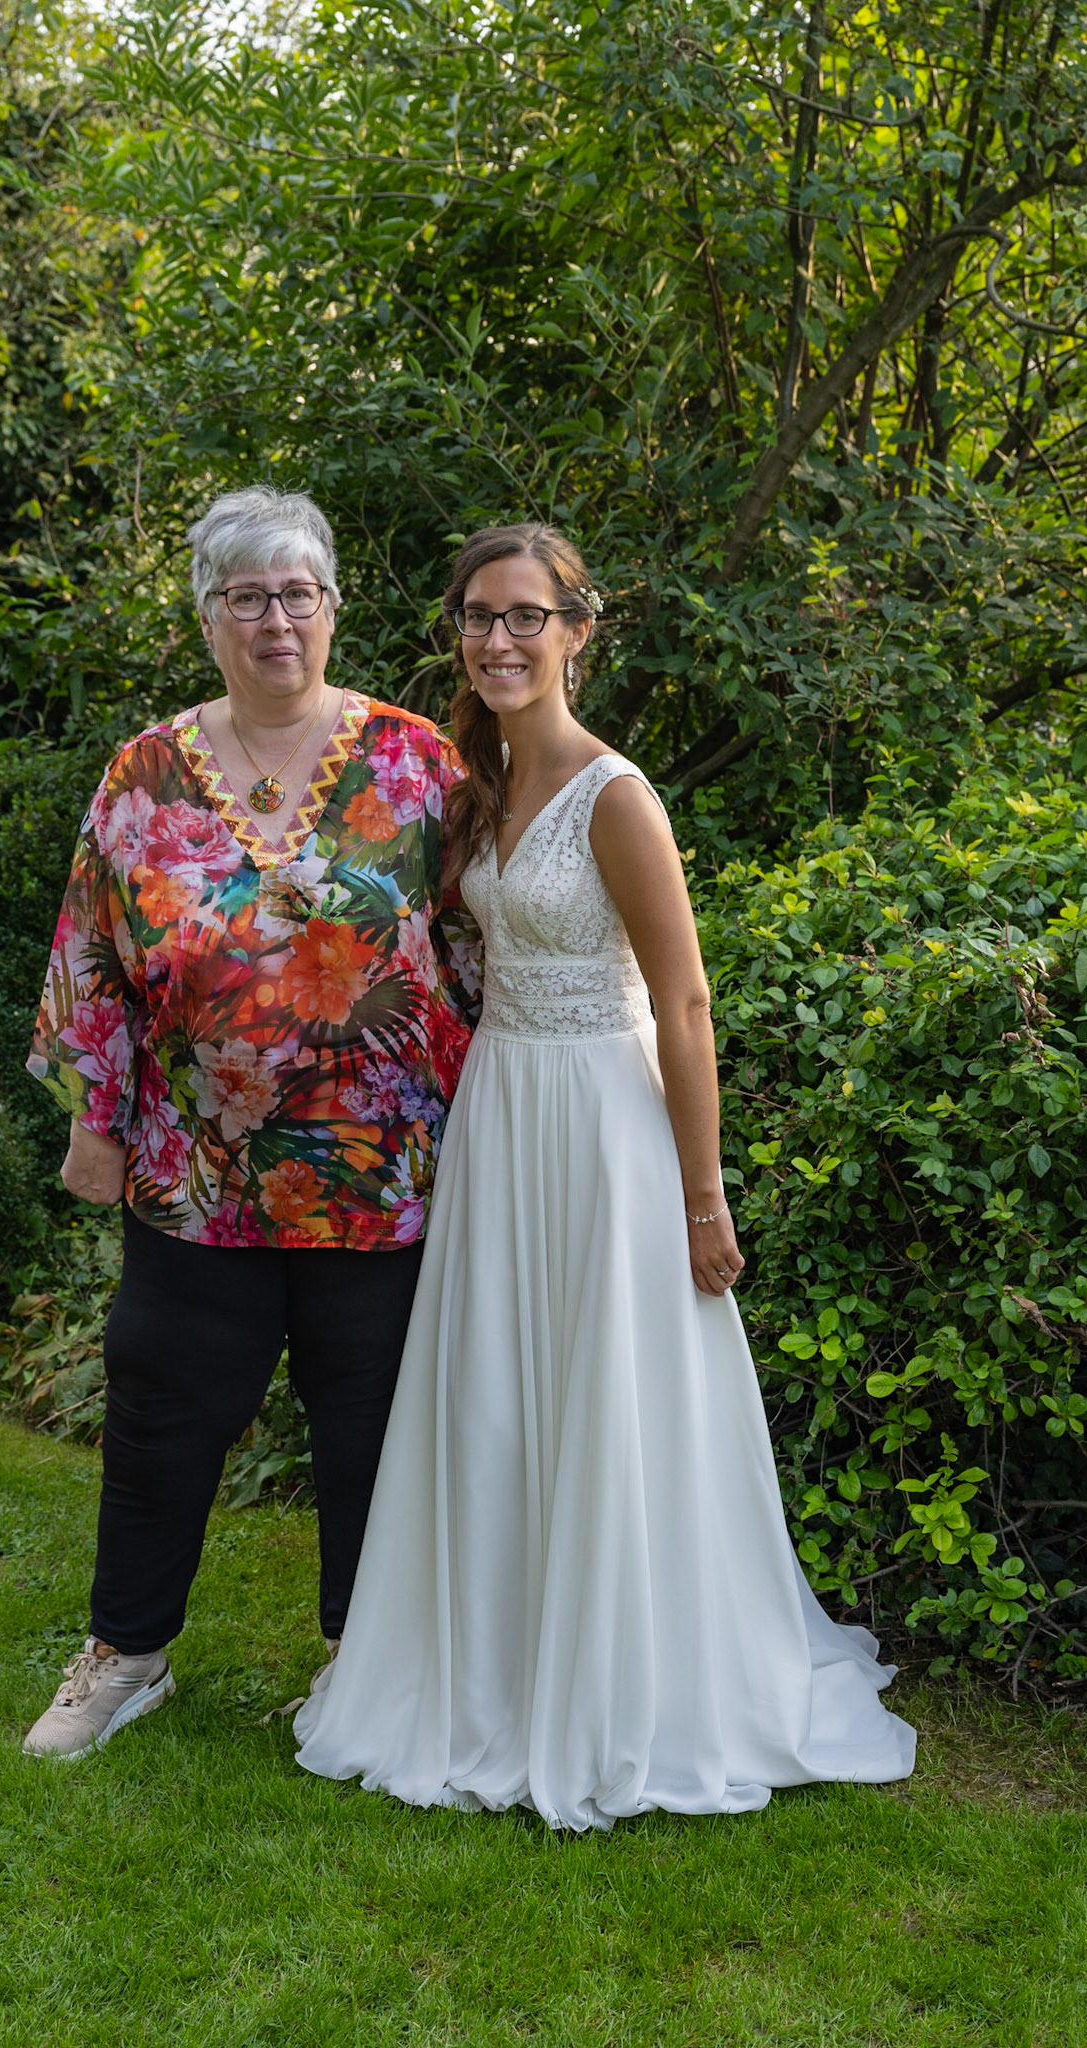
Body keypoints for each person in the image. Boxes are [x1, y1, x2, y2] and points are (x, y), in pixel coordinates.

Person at [293, 523, 915, 1827]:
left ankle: (627, 1676)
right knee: (498, 1394)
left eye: (526, 615)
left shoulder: (616, 795)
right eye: (479, 616)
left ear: (577, 630)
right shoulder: (477, 781)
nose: (499, 639)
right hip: (504, 1115)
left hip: (603, 1125)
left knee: (610, 1392)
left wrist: (703, 1196)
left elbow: (683, 1003)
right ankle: (498, 1665)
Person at [20, 485, 480, 1759]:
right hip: (193, 1171)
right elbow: (93, 949)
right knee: (160, 1408)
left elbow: (483, 944)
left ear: (332, 607)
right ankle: (126, 1654)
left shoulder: (417, 761)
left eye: (298, 593)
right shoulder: (145, 772)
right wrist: (95, 1119)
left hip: (386, 1173)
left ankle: (364, 1667)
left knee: (375, 1428)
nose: (277, 620)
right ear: (209, 616)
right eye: (248, 597)